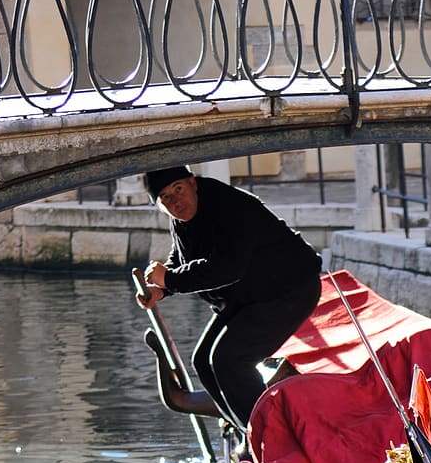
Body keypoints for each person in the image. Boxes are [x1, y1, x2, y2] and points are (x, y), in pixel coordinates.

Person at [138, 165, 322, 430]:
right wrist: (163, 289)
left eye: (178, 189)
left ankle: (272, 439)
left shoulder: (229, 206)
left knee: (229, 360)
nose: (175, 200)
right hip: (249, 295)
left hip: (289, 288)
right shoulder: (180, 216)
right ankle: (243, 427)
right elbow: (181, 256)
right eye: (165, 197)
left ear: (193, 183)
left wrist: (170, 279)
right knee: (202, 360)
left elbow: (227, 268)